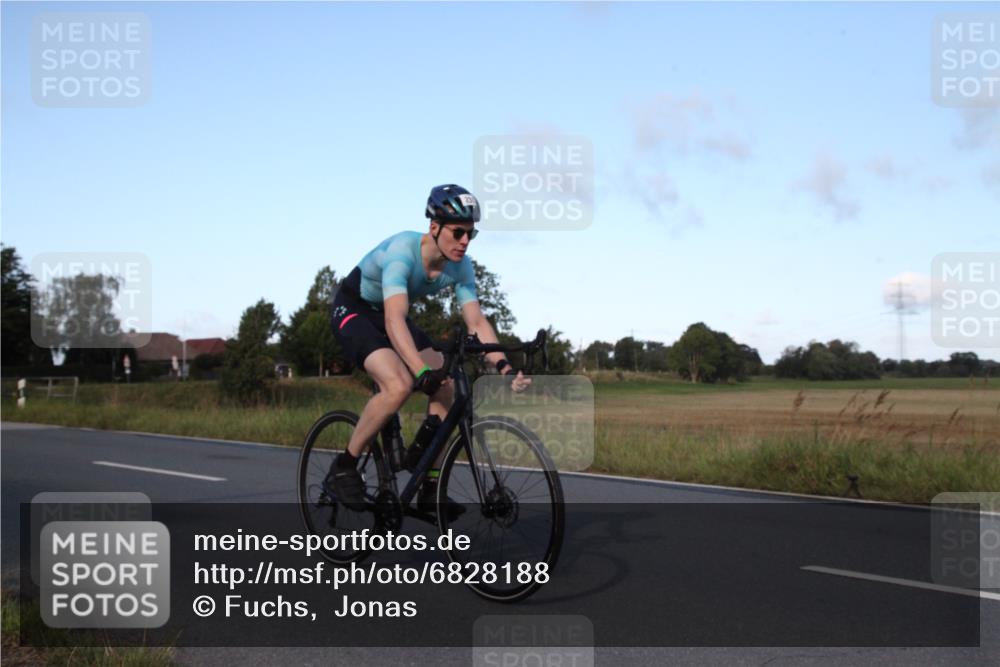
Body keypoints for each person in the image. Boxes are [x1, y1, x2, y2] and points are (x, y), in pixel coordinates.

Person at [329, 184, 529, 518]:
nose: (465, 241)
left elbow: (476, 321)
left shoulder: (461, 266)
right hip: (356, 310)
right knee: (399, 384)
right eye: (458, 232)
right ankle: (345, 466)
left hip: (393, 315)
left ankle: (429, 485)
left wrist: (505, 367)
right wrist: (420, 372)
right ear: (434, 227)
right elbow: (394, 320)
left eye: (471, 234)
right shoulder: (402, 253)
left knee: (447, 385)